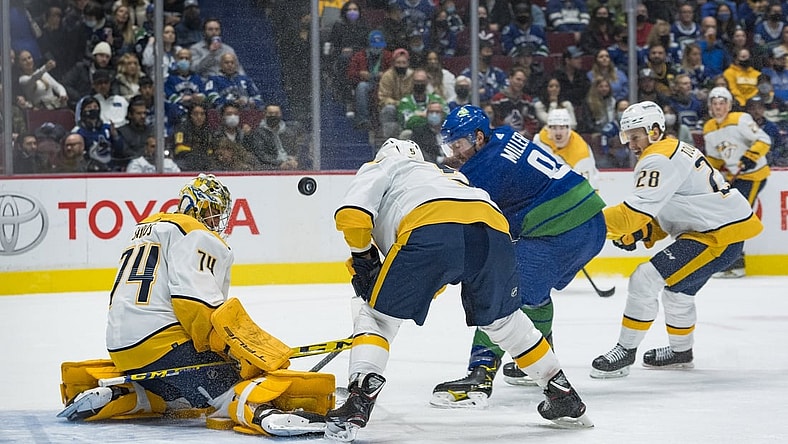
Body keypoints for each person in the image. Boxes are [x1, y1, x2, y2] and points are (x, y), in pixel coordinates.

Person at [327, 138, 592, 442]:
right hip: (494, 230)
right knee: (505, 322)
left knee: (377, 319)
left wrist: (362, 258)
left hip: (428, 229)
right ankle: (560, 392)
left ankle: (359, 398)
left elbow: (352, 214)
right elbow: (444, 254)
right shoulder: (448, 175)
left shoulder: (383, 165)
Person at [58, 174, 333, 438]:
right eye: (211, 209)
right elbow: (193, 304)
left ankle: (126, 395)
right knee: (230, 389)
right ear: (194, 207)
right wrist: (230, 349)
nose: (215, 218)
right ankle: (264, 414)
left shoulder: (146, 229)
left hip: (123, 349)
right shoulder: (195, 233)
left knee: (179, 401)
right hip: (163, 345)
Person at [431, 105, 606, 407]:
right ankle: (539, 352)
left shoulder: (482, 171)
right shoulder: (504, 135)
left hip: (560, 231)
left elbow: (470, 227)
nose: (453, 153)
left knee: (499, 295)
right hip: (590, 222)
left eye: (457, 145)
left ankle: (480, 375)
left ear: (477, 137)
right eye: (449, 146)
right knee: (534, 295)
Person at [590, 101, 763, 378]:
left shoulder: (658, 158)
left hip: (715, 236)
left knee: (645, 278)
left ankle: (625, 352)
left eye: (636, 136)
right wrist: (641, 232)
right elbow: (670, 209)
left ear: (655, 131)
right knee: (678, 291)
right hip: (716, 231)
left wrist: (587, 222)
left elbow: (632, 214)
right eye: (627, 137)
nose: (631, 144)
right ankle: (681, 353)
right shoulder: (672, 150)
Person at [702, 87, 771, 278]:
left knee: (736, 216)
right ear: (710, 106)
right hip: (736, 176)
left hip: (754, 175)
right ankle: (732, 260)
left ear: (729, 105)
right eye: (715, 104)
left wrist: (751, 156)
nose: (719, 107)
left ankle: (736, 262)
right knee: (728, 216)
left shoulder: (741, 119)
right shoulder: (708, 128)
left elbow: (764, 140)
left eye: (722, 103)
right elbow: (715, 158)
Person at [533, 108, 599, 189]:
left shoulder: (581, 153)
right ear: (548, 129)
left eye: (562, 127)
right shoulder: (541, 139)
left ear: (569, 129)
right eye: (554, 128)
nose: (558, 133)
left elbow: (588, 187)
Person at [247, 104, 303, 170]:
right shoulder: (258, 132)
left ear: (281, 114)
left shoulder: (288, 132)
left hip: (290, 164)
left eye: (276, 113)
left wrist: (294, 159)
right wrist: (279, 163)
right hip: (269, 167)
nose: (273, 116)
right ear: (265, 114)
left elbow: (295, 149)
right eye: (270, 113)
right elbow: (261, 155)